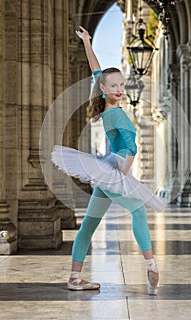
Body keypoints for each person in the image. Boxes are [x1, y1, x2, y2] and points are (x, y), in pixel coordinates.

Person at [51, 26, 166, 295]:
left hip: (105, 170)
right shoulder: (117, 115)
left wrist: (88, 43)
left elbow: (96, 72)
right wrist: (125, 172)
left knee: (90, 224)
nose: (119, 89)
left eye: (121, 85)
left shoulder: (105, 106)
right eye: (113, 86)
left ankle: (75, 278)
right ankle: (151, 266)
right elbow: (131, 148)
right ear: (103, 89)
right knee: (138, 210)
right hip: (113, 169)